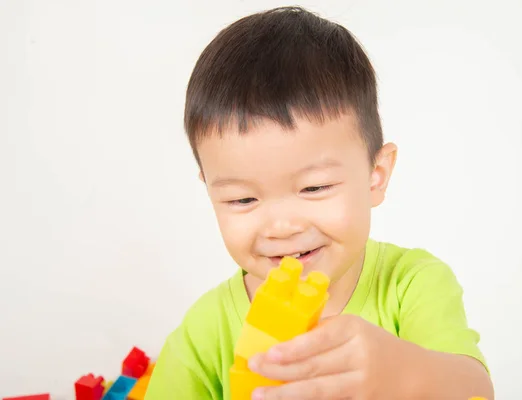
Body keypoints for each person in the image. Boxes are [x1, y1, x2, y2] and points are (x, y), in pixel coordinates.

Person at [145, 6, 494, 400]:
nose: (282, 227)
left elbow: (476, 389)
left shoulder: (411, 285)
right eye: (243, 198)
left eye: (313, 188)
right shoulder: (206, 329)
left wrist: (406, 375)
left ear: (375, 176)